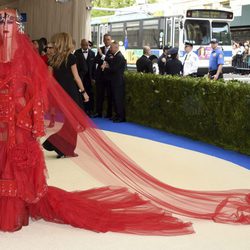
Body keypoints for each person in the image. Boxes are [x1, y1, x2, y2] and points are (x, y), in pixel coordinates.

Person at [1, 8, 250, 235]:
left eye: (7, 25)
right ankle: (57, 147)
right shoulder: (45, 60)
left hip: (23, 122)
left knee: (66, 131)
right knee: (66, 130)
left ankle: (54, 151)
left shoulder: (40, 61)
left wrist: (32, 112)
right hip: (25, 119)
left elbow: (43, 87)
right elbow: (47, 87)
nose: (5, 31)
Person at [42, 32, 89, 158]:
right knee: (74, 123)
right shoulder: (71, 58)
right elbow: (77, 78)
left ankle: (60, 146)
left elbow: (48, 79)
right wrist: (84, 92)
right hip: (72, 94)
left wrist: (50, 94)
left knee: (71, 122)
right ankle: (58, 145)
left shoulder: (52, 59)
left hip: (59, 95)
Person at [102, 41, 126, 122]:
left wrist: (106, 67)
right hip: (115, 81)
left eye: (112, 48)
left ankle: (121, 117)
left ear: (116, 48)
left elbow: (114, 69)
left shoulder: (119, 56)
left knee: (118, 100)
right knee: (115, 99)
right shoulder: (116, 56)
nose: (110, 49)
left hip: (118, 82)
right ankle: (117, 115)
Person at [74, 38, 96, 116]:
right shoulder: (77, 53)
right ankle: (81, 111)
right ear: (81, 45)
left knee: (90, 93)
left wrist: (93, 78)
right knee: (81, 93)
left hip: (89, 78)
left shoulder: (92, 53)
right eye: (84, 45)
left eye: (87, 45)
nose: (85, 46)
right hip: (80, 77)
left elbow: (94, 67)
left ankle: (90, 110)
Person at [93, 33, 113, 118]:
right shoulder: (100, 49)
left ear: (110, 40)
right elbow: (96, 60)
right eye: (105, 39)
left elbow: (111, 61)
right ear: (103, 40)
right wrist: (104, 61)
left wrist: (103, 58)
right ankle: (98, 112)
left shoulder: (113, 49)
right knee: (99, 95)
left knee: (109, 95)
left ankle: (109, 114)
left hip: (109, 77)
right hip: (100, 76)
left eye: (108, 39)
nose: (106, 41)